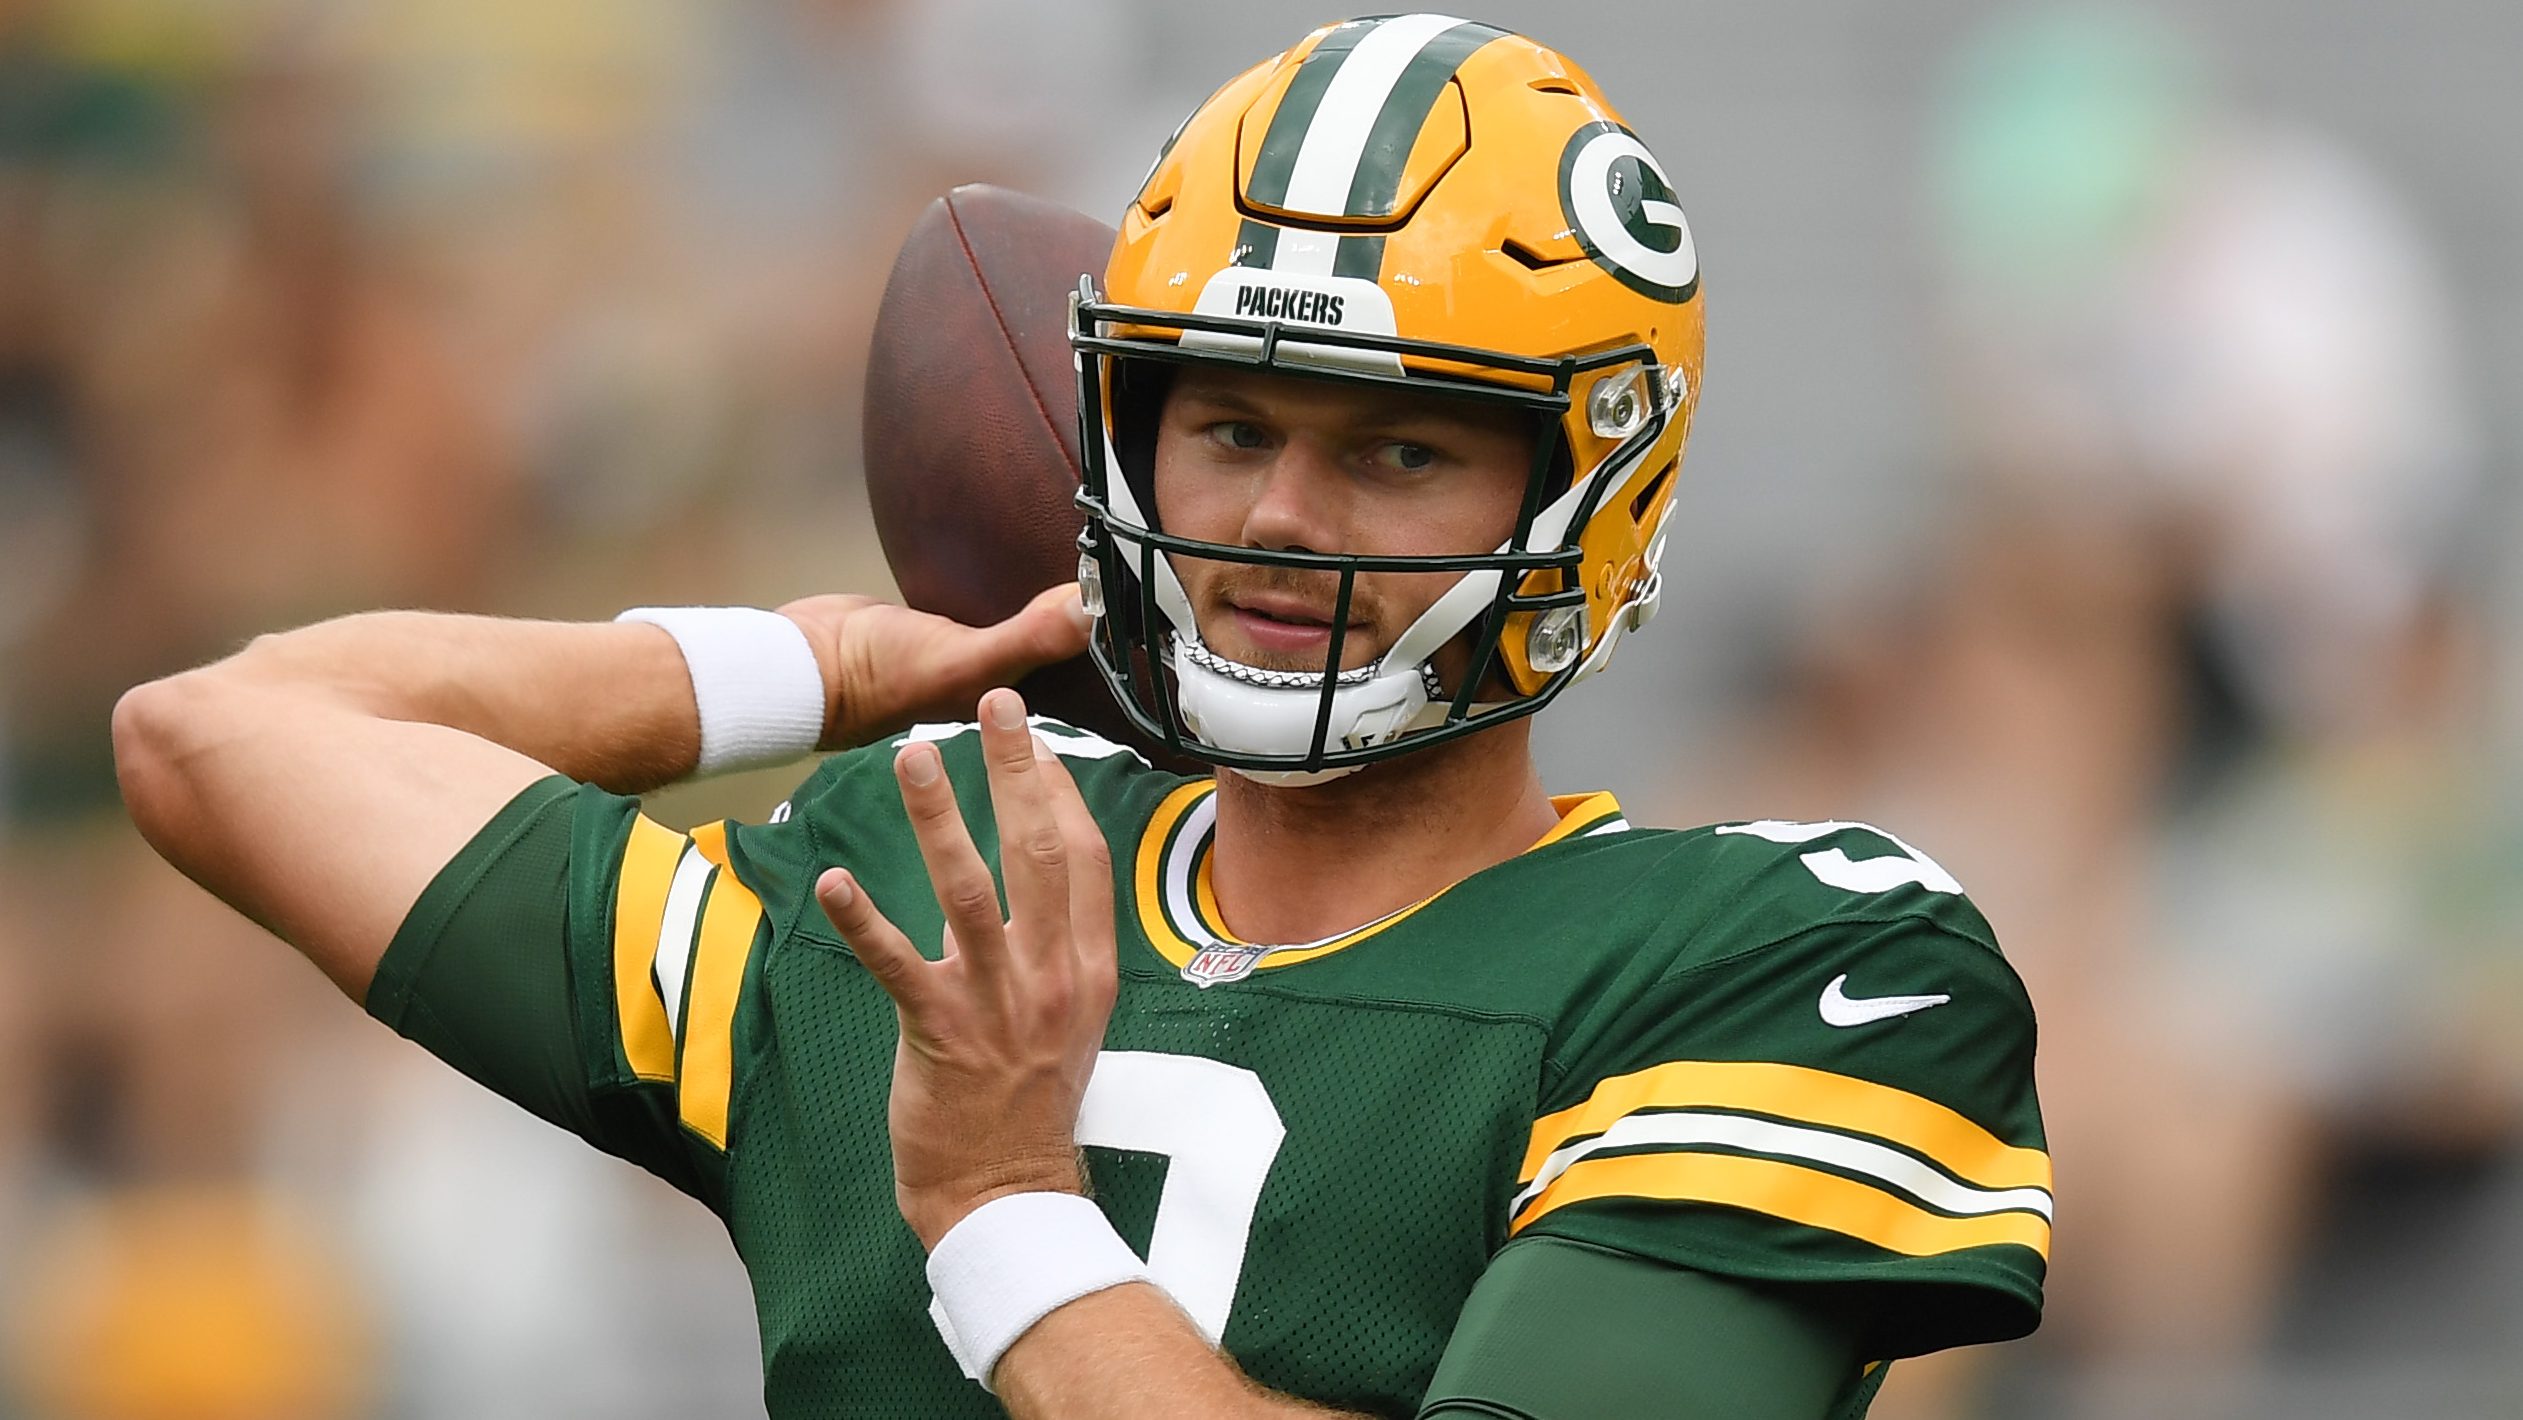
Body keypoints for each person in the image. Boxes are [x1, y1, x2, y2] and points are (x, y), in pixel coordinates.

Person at [112, 16, 2049, 1419]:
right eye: (1225, 426)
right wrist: (822, 663)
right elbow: (228, 731)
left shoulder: (1775, 968)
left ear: (1583, 491)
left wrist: (1006, 1213)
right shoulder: (924, 879)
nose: (1283, 514)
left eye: (1390, 445)